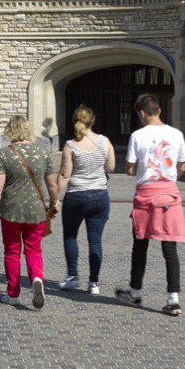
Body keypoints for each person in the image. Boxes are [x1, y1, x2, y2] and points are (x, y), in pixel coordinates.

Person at [115, 93, 185, 316]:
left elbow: (128, 169)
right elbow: (182, 166)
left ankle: (135, 291)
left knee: (140, 244)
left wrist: (146, 171)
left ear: (142, 113)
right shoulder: (176, 134)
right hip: (169, 195)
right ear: (160, 110)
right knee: (169, 247)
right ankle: (173, 298)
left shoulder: (138, 135)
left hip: (146, 194)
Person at [0, 114, 60, 308]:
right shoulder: (43, 153)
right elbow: (52, 184)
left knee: (12, 251)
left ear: (10, 131)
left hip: (11, 211)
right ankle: (36, 279)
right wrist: (55, 203)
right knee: (34, 249)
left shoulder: (4, 154)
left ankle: (13, 294)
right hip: (36, 211)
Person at [56, 105, 114, 294]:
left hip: (76, 196)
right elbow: (111, 167)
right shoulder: (105, 141)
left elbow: (65, 175)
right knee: (95, 241)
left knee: (70, 235)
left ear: (74, 121)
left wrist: (55, 200)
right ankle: (94, 283)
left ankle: (72, 276)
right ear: (93, 121)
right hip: (100, 196)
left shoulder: (70, 145)